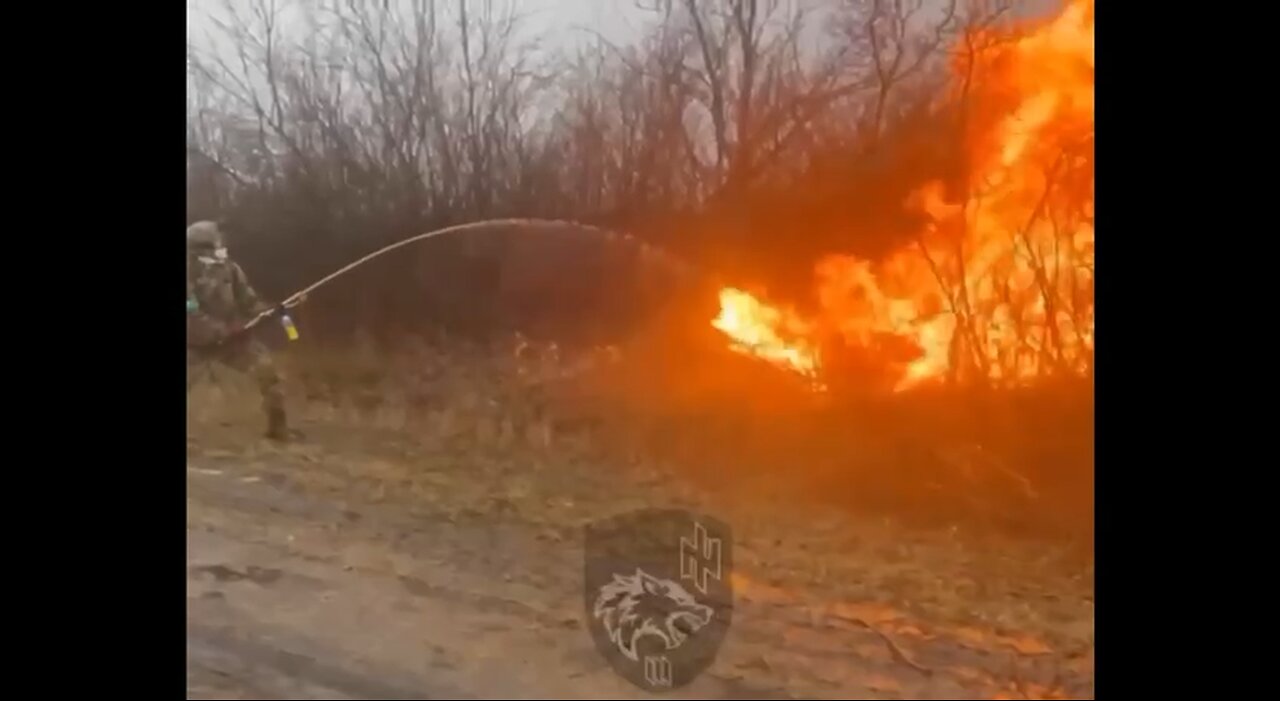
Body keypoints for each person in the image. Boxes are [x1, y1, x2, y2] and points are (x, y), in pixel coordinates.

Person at [186, 220, 293, 440]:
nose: (222, 241)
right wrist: (223, 331)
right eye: (217, 237)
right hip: (193, 344)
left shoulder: (231, 269)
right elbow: (190, 312)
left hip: (230, 341)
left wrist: (274, 309)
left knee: (266, 371)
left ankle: (278, 430)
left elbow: (249, 301)